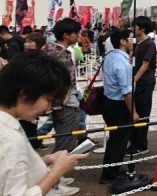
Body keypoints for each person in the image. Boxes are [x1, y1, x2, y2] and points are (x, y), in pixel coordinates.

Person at [0, 51, 88, 196]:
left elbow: (9, 169)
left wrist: (46, 160)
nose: (49, 108)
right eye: (49, 100)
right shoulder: (8, 138)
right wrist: (57, 172)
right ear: (24, 93)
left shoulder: (9, 126)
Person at [100, 28, 139, 184]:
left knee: (115, 139)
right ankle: (109, 174)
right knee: (119, 140)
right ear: (122, 41)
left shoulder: (110, 57)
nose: (133, 41)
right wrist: (133, 112)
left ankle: (112, 168)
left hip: (108, 102)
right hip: (119, 106)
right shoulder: (123, 63)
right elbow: (127, 92)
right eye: (131, 38)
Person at [41, 18, 81, 154]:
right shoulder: (61, 54)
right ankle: (57, 173)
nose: (77, 36)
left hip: (55, 102)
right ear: (66, 35)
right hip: (65, 102)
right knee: (66, 141)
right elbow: (68, 80)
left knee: (62, 137)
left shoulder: (47, 50)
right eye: (75, 33)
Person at [127, 16, 156, 156]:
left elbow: (145, 65)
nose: (133, 29)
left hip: (145, 82)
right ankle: (133, 142)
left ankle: (141, 144)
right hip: (137, 82)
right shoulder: (136, 44)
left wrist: (134, 80)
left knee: (143, 114)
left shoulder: (149, 44)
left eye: (135, 26)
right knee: (134, 113)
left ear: (142, 28)